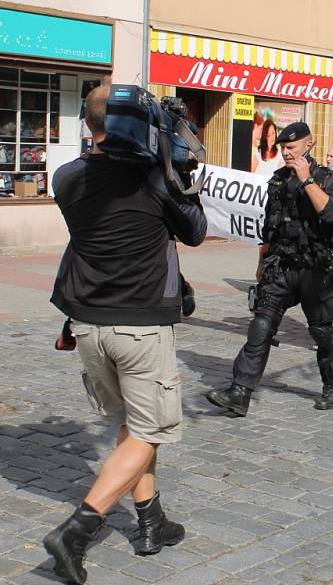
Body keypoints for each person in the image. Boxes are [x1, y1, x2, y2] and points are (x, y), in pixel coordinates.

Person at [44, 85, 207, 584]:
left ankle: (151, 522)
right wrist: (173, 166)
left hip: (90, 325)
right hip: (140, 326)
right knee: (149, 430)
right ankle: (77, 530)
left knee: (130, 427)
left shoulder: (67, 177)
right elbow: (196, 229)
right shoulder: (152, 180)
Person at [206, 122, 333, 415]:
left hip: (314, 268)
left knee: (322, 331)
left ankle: (332, 386)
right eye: (283, 147)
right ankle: (240, 391)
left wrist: (307, 180)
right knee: (261, 326)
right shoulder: (278, 180)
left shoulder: (326, 179)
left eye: (292, 147)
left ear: (310, 144)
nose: (286, 152)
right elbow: (270, 227)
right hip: (280, 266)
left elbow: (332, 214)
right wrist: (261, 262)